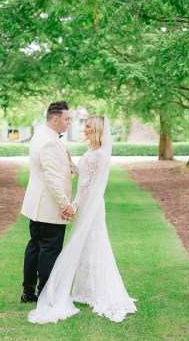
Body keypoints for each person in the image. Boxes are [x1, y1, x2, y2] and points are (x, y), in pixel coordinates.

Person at [28, 116, 137, 324]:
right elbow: (86, 176)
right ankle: (88, 290)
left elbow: (87, 185)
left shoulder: (98, 154)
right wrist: (71, 164)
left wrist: (72, 207)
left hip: (91, 206)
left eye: (87, 126)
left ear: (95, 129)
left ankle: (97, 291)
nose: (84, 128)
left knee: (93, 243)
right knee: (88, 245)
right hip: (90, 204)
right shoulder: (95, 151)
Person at [20, 101, 78, 303]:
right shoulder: (48, 142)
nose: (68, 122)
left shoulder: (41, 136)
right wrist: (65, 205)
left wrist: (69, 164)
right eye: (66, 119)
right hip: (48, 207)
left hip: (37, 206)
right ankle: (45, 293)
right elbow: (52, 179)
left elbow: (58, 171)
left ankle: (28, 292)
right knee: (48, 251)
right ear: (55, 120)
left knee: (35, 247)